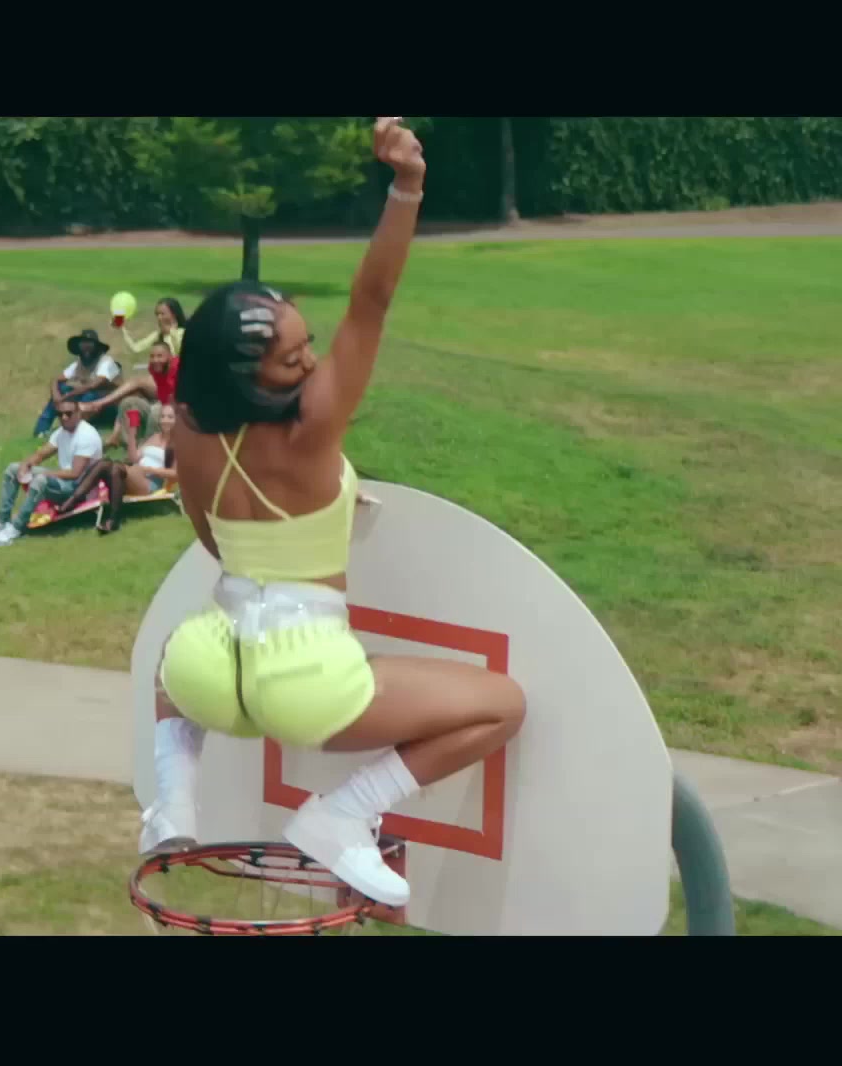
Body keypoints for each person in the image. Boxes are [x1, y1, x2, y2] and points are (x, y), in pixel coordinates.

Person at [148, 119, 526, 909]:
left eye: (308, 343)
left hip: (210, 665)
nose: (312, 361)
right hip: (305, 676)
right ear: (250, 377)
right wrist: (407, 186)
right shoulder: (310, 426)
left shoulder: (190, 430)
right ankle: (346, 813)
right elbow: (372, 300)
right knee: (502, 706)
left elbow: (209, 536)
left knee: (169, 676)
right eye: (292, 358)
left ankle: (171, 807)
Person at [0, 398, 103, 548]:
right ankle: (1, 519)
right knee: (12, 469)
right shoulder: (61, 433)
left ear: (78, 414)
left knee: (41, 480)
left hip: (78, 489)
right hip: (64, 481)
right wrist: (26, 465)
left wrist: (46, 475)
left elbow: (75, 473)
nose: (64, 418)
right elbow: (41, 454)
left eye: (68, 413)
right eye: (60, 414)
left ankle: (16, 527)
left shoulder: (86, 436)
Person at [57, 404, 178, 534]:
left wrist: (150, 470)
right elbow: (134, 458)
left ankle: (73, 501)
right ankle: (112, 519)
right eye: (163, 416)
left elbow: (176, 474)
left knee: (114, 466)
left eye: (170, 417)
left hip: (150, 482)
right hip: (135, 473)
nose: (165, 420)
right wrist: (132, 434)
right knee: (105, 464)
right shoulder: (154, 437)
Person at [82, 341, 179, 446]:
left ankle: (148, 448)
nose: (155, 360)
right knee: (128, 402)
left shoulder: (179, 367)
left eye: (160, 356)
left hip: (178, 409)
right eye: (152, 356)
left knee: (156, 411)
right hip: (161, 401)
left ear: (170, 356)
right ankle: (131, 444)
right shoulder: (154, 368)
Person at [33, 330, 120, 438]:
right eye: (84, 344)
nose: (86, 348)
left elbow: (94, 385)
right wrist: (56, 396)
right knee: (62, 388)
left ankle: (68, 428)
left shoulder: (106, 362)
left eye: (89, 344)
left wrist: (66, 396)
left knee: (89, 394)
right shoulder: (78, 364)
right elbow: (55, 379)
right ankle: (41, 431)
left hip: (109, 405)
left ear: (96, 347)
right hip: (89, 403)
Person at [116, 297, 187, 358]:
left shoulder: (184, 333)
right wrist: (121, 328)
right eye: (157, 314)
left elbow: (182, 352)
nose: (159, 318)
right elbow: (136, 348)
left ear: (174, 315)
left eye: (162, 314)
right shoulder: (158, 335)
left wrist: (172, 332)